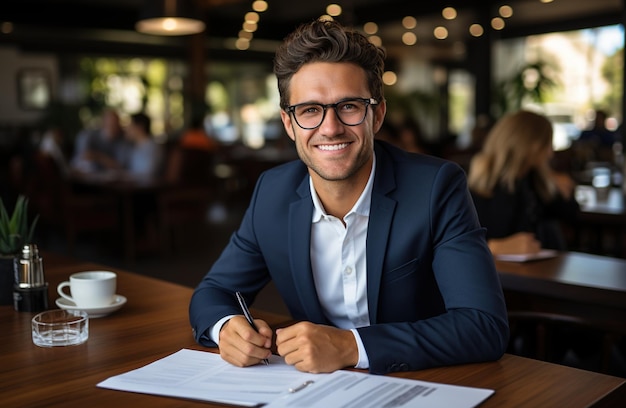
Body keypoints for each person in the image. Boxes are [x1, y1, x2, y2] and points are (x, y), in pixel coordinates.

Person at [189, 19, 509, 375]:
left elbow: (483, 326)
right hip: (312, 394)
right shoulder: (272, 192)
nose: (330, 127)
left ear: (377, 115)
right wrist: (226, 328)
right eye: (310, 110)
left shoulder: (436, 186)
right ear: (288, 123)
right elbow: (213, 291)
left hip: (424, 383)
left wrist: (351, 346)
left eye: (349, 106)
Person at [467, 110, 580, 255]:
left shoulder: (532, 179)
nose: (550, 153)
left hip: (536, 268)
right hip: (500, 273)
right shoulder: (483, 186)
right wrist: (497, 247)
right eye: (546, 145)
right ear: (530, 146)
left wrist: (560, 189)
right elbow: (468, 243)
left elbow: (570, 213)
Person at [70, 108, 129, 174]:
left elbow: (119, 166)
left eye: (115, 122)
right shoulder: (89, 136)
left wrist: (98, 157)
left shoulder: (122, 141)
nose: (112, 125)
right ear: (103, 122)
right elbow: (83, 157)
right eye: (110, 121)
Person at [124, 112, 164, 182]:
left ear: (139, 127)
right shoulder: (135, 147)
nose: (127, 129)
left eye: (130, 126)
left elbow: (148, 174)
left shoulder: (153, 148)